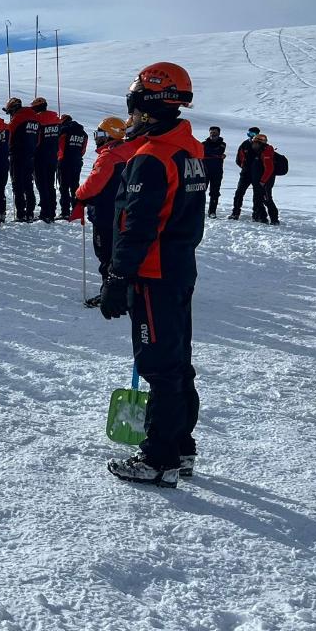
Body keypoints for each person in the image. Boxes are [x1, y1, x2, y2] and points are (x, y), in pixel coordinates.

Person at [99, 61, 205, 488]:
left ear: (152, 107)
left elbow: (137, 225)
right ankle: (180, 446)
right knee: (178, 361)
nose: (133, 118)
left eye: (137, 109)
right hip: (179, 267)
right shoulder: (188, 147)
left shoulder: (153, 157)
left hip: (154, 271)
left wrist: (118, 277)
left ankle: (159, 457)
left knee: (159, 365)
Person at [72, 116, 132, 306]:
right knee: (120, 253)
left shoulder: (109, 157)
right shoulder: (129, 151)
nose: (97, 138)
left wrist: (79, 196)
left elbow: (92, 186)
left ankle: (110, 294)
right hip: (124, 213)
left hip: (106, 213)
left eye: (99, 134)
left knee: (106, 255)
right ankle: (126, 290)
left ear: (109, 135)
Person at [5, 97, 40, 222]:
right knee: (28, 184)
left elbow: (9, 135)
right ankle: (30, 212)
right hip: (30, 155)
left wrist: (8, 149)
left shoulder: (18, 118)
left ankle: (20, 213)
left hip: (17, 154)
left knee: (17, 184)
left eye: (9, 112)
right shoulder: (35, 118)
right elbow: (38, 139)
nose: (10, 115)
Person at [32, 97, 60, 222]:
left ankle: (45, 212)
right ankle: (52, 211)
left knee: (41, 185)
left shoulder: (37, 120)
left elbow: (36, 140)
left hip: (40, 156)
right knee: (50, 184)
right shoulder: (56, 119)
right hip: (53, 156)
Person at [56, 114, 87, 219]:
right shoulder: (83, 133)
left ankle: (65, 211)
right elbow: (83, 150)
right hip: (77, 162)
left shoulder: (64, 131)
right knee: (75, 187)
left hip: (64, 162)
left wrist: (59, 159)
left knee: (64, 187)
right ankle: (76, 210)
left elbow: (60, 147)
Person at [228, 127, 261, 220]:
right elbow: (238, 159)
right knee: (239, 192)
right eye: (249, 133)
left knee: (257, 195)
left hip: (258, 174)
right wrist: (244, 167)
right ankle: (235, 213)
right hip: (245, 173)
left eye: (253, 134)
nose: (251, 136)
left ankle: (256, 215)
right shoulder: (245, 144)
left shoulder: (261, 144)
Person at [250, 133, 281, 224]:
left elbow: (269, 168)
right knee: (258, 199)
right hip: (259, 180)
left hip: (265, 181)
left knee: (267, 199)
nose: (253, 144)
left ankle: (274, 219)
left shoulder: (266, 152)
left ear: (260, 143)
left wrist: (263, 181)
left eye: (255, 142)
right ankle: (261, 217)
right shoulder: (259, 151)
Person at [201, 126, 227, 217]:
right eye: (211, 133)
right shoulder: (203, 144)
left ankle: (212, 211)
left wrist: (216, 155)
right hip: (204, 171)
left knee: (215, 192)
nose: (213, 134)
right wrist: (217, 155)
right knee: (200, 191)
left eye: (215, 133)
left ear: (219, 133)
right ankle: (199, 209)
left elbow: (218, 151)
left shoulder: (222, 144)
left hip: (217, 171)